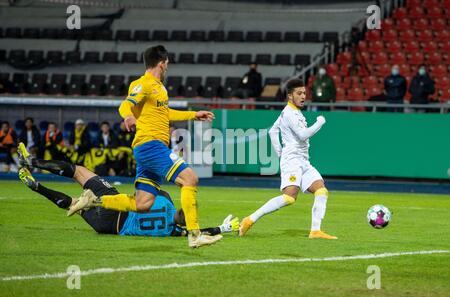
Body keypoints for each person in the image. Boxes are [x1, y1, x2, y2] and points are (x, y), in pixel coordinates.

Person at [66, 45, 222, 248]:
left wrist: (194, 115)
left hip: (149, 148)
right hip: (151, 145)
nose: (168, 67)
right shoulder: (144, 84)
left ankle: (94, 201)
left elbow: (166, 114)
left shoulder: (159, 88)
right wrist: (129, 116)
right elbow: (125, 104)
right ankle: (194, 234)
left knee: (143, 204)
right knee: (190, 179)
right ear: (162, 63)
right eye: (167, 63)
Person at [17, 143, 238, 237]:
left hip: (117, 207)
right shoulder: (174, 233)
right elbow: (201, 231)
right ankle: (36, 186)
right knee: (75, 204)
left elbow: (147, 187)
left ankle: (32, 161)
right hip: (109, 227)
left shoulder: (165, 198)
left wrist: (174, 169)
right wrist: (223, 228)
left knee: (78, 172)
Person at [239, 78, 337, 240]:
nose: (303, 96)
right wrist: (320, 122)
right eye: (299, 93)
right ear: (290, 96)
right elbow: (303, 134)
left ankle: (315, 231)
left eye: (304, 93)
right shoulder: (290, 113)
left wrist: (279, 153)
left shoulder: (292, 112)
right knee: (289, 197)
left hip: (303, 161)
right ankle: (249, 220)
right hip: (292, 161)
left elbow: (272, 131)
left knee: (321, 190)